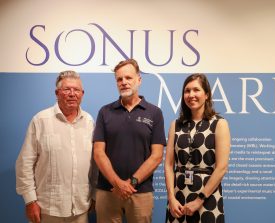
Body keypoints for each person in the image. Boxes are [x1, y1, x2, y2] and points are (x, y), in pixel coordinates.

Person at [16, 70, 95, 223]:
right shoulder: (41, 120)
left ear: (82, 93)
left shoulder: (89, 122)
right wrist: (30, 201)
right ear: (57, 93)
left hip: (80, 208)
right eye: (67, 89)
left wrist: (93, 196)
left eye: (76, 90)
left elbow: (94, 165)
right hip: (48, 209)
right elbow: (24, 163)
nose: (72, 94)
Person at [93, 58, 166, 223]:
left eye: (128, 78)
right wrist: (117, 183)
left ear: (139, 79)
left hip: (140, 192)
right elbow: (98, 153)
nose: (124, 82)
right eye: (119, 79)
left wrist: (130, 183)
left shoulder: (154, 113)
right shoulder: (105, 112)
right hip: (108, 190)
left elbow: (156, 156)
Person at [165, 73, 231, 223]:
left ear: (206, 94)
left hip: (207, 198)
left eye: (196, 90)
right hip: (178, 198)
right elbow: (169, 165)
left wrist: (199, 200)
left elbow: (221, 167)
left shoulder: (219, 124)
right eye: (187, 91)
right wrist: (171, 198)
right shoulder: (175, 125)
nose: (191, 95)